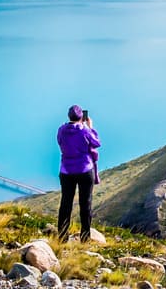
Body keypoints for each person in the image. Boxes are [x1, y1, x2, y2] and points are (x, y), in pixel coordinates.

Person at [57, 104, 101, 242]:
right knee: (85, 204)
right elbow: (96, 143)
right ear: (82, 117)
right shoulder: (85, 131)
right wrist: (90, 127)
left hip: (66, 171)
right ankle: (85, 239)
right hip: (84, 170)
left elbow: (60, 142)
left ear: (69, 116)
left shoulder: (61, 130)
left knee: (65, 203)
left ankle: (62, 238)